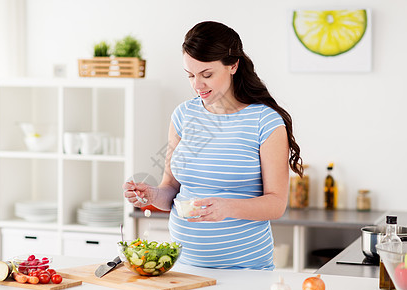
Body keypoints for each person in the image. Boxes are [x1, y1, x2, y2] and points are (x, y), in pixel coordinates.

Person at [123, 21, 303, 270]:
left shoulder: (265, 121)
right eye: (190, 75)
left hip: (246, 271)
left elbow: (276, 204)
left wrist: (227, 207)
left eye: (207, 75)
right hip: (184, 268)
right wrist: (152, 195)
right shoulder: (183, 115)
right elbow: (171, 189)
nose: (197, 85)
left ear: (233, 65)